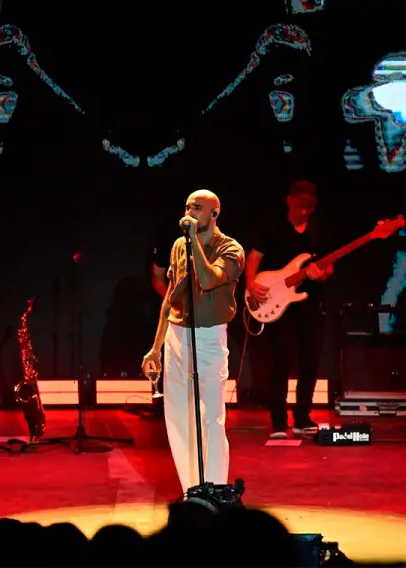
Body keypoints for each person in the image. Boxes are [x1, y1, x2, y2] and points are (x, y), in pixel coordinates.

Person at [141, 189, 245, 493]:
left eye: (197, 208)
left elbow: (210, 279)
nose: (189, 213)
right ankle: (191, 491)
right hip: (177, 334)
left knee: (211, 417)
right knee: (178, 416)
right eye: (187, 207)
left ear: (214, 214)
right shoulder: (177, 246)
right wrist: (155, 348)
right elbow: (171, 298)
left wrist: (194, 244)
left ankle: (213, 490)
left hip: (209, 337)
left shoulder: (230, 249)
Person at [245, 179, 334, 439]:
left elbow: (329, 267)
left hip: (309, 304)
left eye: (309, 206)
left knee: (310, 361)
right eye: (299, 205)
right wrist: (251, 283)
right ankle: (279, 421)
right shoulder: (272, 226)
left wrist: (322, 274)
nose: (304, 211)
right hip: (279, 305)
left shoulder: (319, 231)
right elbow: (254, 257)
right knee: (281, 363)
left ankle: (303, 417)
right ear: (289, 201)